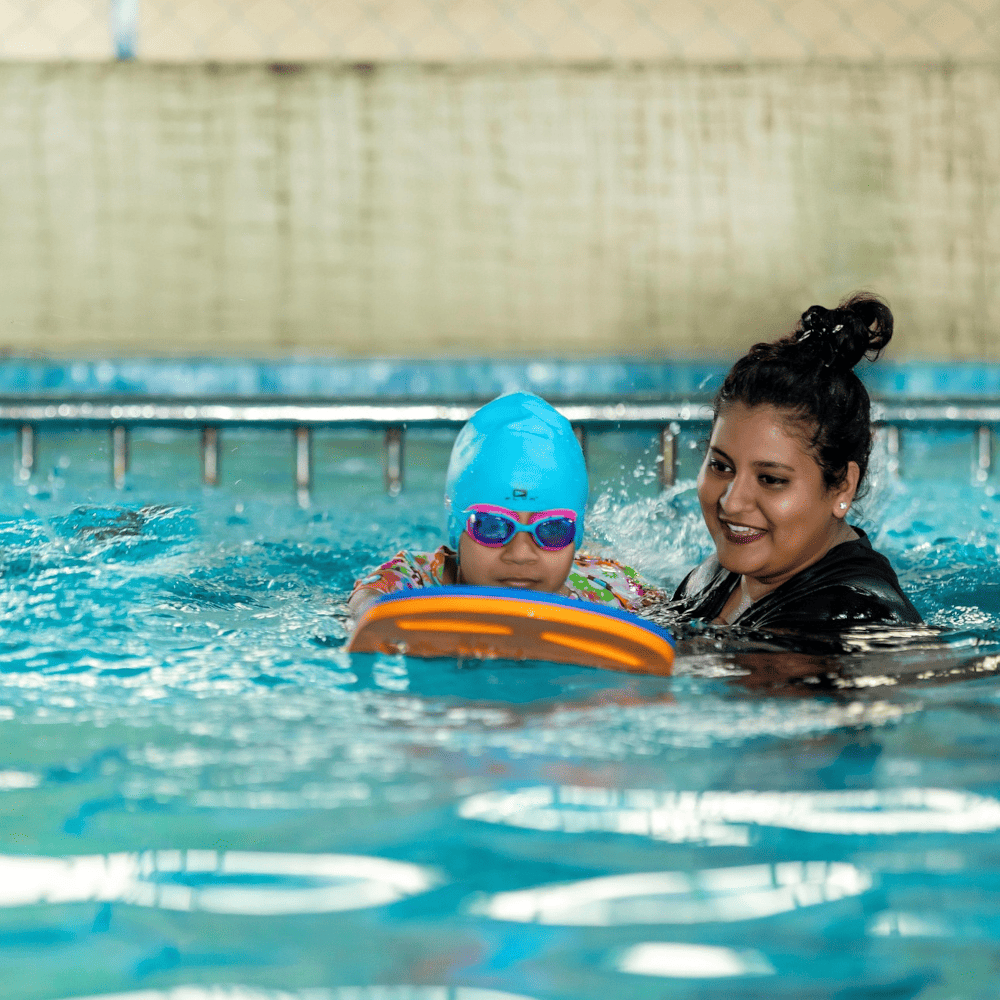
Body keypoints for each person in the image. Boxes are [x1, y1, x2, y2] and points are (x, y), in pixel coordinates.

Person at [671, 292, 922, 631]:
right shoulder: (716, 576)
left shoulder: (849, 619)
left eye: (770, 479)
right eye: (722, 466)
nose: (732, 502)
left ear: (842, 487)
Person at [348, 392, 659, 619]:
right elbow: (368, 601)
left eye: (552, 530)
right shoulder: (420, 578)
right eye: (493, 526)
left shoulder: (611, 595)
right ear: (456, 527)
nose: (520, 554)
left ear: (576, 535)